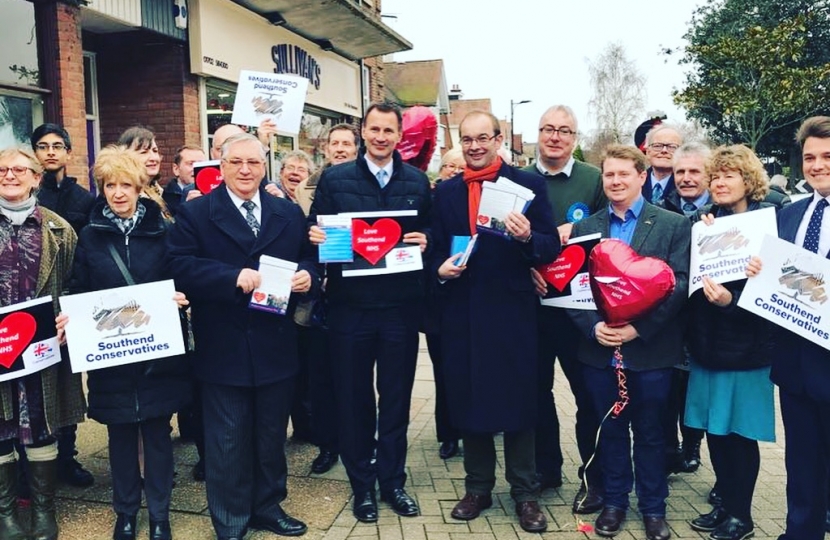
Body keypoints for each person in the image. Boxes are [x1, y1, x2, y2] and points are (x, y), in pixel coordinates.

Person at [167, 132, 317, 540]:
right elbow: (178, 265)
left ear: (264, 164)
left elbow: (309, 255)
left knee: (271, 436)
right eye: (236, 163)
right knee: (227, 440)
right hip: (224, 345)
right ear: (221, 165)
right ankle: (231, 519)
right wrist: (230, 277)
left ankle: (268, 506)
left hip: (275, 343)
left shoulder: (286, 212)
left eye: (253, 162)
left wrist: (309, 275)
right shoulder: (197, 213)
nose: (246, 170)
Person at [431, 110, 559, 533]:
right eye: (467, 140)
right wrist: (439, 269)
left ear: (499, 139)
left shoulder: (527, 185)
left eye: (483, 138)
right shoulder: (446, 192)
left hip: (512, 311)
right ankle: (477, 488)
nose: (474, 146)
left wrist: (525, 238)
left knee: (520, 399)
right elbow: (434, 248)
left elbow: (547, 249)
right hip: (463, 311)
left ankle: (525, 493)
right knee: (469, 397)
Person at [308, 102, 431, 524]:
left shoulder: (416, 180)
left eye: (388, 131)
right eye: (374, 129)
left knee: (396, 400)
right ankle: (362, 486)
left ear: (400, 136)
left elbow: (429, 229)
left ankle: (392, 481)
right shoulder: (335, 178)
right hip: (349, 310)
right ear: (363, 131)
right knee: (354, 400)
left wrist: (426, 239)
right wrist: (317, 236)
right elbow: (314, 235)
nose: (381, 137)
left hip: (399, 309)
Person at [65, 146, 191, 540]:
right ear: (101, 189)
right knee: (119, 436)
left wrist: (180, 296)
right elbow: (78, 287)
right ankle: (125, 513)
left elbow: (181, 274)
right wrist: (71, 316)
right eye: (109, 185)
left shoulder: (163, 230)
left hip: (156, 354)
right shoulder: (89, 235)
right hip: (112, 355)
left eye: (125, 185)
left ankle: (159, 515)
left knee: (157, 435)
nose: (118, 193)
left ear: (140, 187)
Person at [568, 145, 690, 540]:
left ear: (642, 176)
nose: (616, 182)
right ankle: (615, 502)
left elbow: (680, 284)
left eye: (624, 174)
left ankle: (654, 508)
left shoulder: (672, 224)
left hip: (651, 350)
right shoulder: (587, 228)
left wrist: (639, 329)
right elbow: (572, 287)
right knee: (612, 429)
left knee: (653, 432)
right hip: (600, 351)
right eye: (609, 175)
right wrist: (592, 328)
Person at [684, 144, 776, 540]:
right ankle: (725, 505)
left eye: (730, 175)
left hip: (747, 350)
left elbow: (774, 296)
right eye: (716, 176)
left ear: (748, 180)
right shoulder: (707, 224)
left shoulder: (766, 228)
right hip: (707, 348)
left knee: (739, 435)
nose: (720, 182)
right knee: (715, 432)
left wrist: (730, 302)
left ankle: (742, 515)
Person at [746, 116, 830, 540]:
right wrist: (758, 268)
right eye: (810, 157)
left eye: (827, 156)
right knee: (802, 465)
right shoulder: (789, 213)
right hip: (795, 366)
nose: (817, 166)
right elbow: (773, 276)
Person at [523, 105, 606, 512]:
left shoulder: (593, 179)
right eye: (548, 129)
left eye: (564, 131)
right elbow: (502, 236)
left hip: (580, 310)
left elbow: (611, 229)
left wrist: (580, 228)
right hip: (534, 308)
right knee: (536, 393)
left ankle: (593, 476)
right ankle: (545, 469)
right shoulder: (519, 178)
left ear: (575, 138)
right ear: (537, 133)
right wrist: (525, 272)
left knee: (589, 394)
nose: (555, 137)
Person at [0, 147, 86, 540]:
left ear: (37, 177)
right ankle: (6, 514)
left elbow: (73, 284)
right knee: (0, 424)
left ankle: (43, 510)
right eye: (2, 170)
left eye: (19, 169)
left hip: (42, 347)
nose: (9, 175)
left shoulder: (58, 229)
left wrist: (70, 318)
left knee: (41, 420)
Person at [29, 123, 95, 489]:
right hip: (31, 303)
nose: (50, 152)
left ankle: (66, 458)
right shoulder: (28, 195)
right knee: (32, 385)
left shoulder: (84, 199)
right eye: (42, 146)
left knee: (67, 386)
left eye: (57, 146)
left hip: (69, 303)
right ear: (34, 154)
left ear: (68, 153)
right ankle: (34, 457)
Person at [657, 142, 712, 476]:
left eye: (694, 171)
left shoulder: (722, 213)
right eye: (680, 172)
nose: (687, 178)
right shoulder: (660, 210)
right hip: (670, 316)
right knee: (669, 386)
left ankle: (692, 446)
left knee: (696, 387)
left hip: (708, 316)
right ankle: (667, 450)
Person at [422, 147, 466, 462]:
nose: (454, 171)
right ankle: (448, 434)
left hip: (475, 303)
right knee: (444, 371)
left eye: (460, 167)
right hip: (438, 301)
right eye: (449, 165)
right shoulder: (431, 200)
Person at [295, 124, 359, 215]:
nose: (339, 149)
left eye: (346, 144)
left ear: (356, 151)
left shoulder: (370, 184)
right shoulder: (303, 189)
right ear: (327, 150)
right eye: (334, 143)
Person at [117, 127, 169, 219]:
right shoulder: (123, 197)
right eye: (143, 152)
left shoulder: (160, 192)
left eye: (155, 151)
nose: (153, 158)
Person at [641, 125, 683, 204]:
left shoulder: (687, 185)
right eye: (657, 146)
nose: (664, 151)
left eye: (672, 147)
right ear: (648, 152)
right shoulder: (635, 182)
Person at [163, 145, 206, 216]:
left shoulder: (214, 194)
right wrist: (186, 207)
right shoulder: (164, 198)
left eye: (201, 164)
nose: (196, 169)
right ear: (176, 169)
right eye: (191, 164)